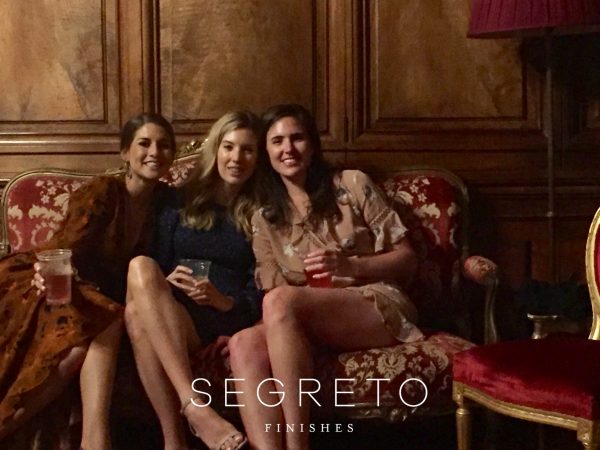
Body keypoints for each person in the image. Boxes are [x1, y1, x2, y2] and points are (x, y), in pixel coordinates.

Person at [227, 104, 423, 450]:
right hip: (302, 318)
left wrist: (352, 267)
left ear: (313, 145)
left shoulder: (351, 184)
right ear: (266, 152)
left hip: (373, 303)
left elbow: (407, 259)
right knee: (242, 343)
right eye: (277, 141)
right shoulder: (264, 218)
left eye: (297, 138)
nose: (288, 149)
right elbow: (273, 290)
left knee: (280, 301)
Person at [0, 112, 176, 450]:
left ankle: (94, 441)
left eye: (164, 145)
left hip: (99, 299)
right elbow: (65, 249)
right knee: (98, 325)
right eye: (144, 143)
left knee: (102, 323)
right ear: (125, 152)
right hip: (49, 280)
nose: (155, 152)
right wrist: (50, 273)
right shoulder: (104, 190)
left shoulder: (166, 204)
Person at [125, 110, 263, 450]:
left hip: (219, 316)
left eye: (247, 150)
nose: (236, 158)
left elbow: (266, 285)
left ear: (258, 158)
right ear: (215, 150)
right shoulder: (178, 201)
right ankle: (186, 424)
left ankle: (182, 427)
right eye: (228, 147)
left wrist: (225, 301)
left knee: (137, 316)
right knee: (140, 277)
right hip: (172, 309)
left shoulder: (263, 211)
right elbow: (154, 260)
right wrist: (166, 278)